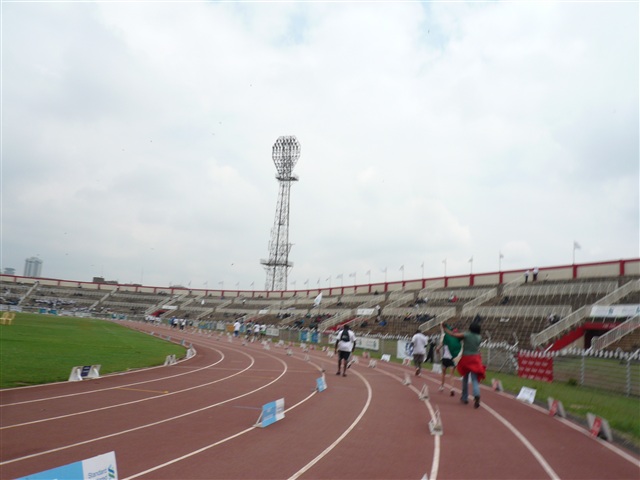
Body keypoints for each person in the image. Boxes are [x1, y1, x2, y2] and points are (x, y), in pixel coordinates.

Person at [444, 318, 486, 408]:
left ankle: (464, 397)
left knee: (465, 378)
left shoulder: (466, 334)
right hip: (476, 358)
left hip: (466, 357)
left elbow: (453, 334)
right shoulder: (479, 337)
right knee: (474, 379)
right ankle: (477, 394)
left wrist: (445, 329)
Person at [438, 324, 462, 396]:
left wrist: (437, 350)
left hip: (445, 358)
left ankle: (442, 386)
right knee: (451, 374)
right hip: (452, 359)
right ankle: (452, 388)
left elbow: (439, 346)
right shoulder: (457, 340)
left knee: (443, 373)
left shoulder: (446, 338)